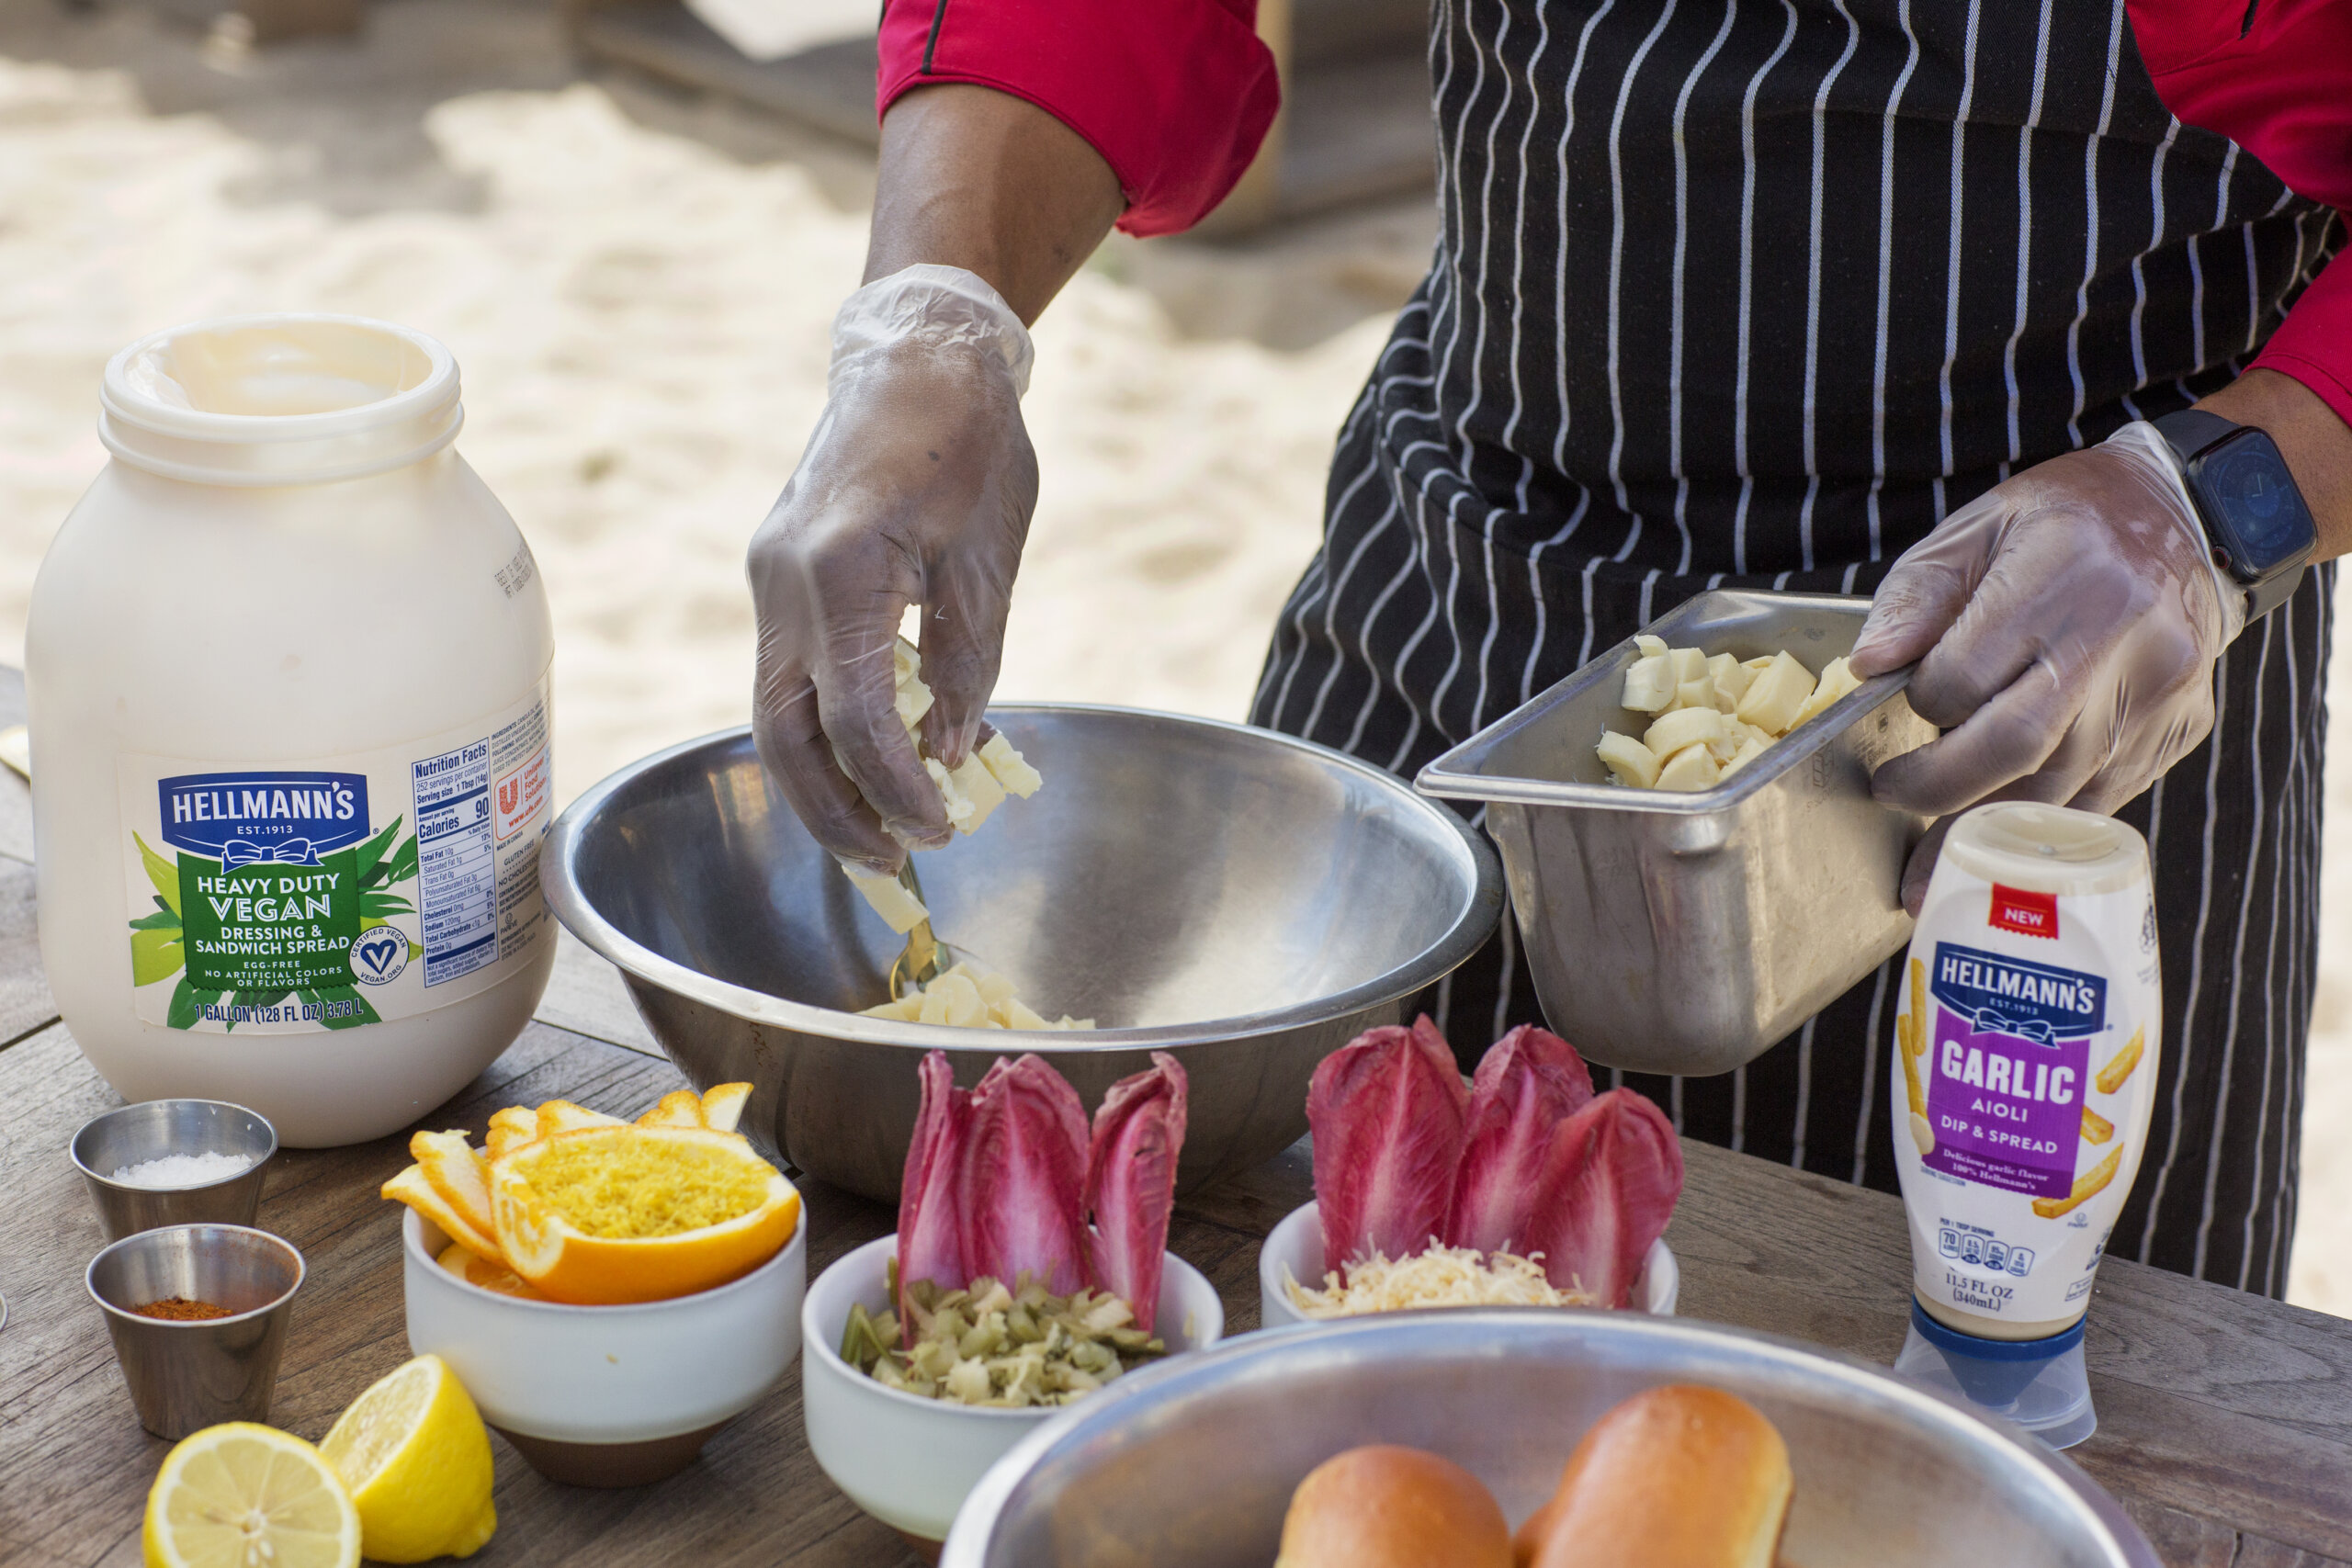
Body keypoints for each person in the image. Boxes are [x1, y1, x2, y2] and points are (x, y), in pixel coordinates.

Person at [746, 0, 2352, 1293]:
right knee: (1303, 1351)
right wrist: (940, 314)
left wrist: (2220, 500)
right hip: (1476, 589)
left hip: (2084, 670)